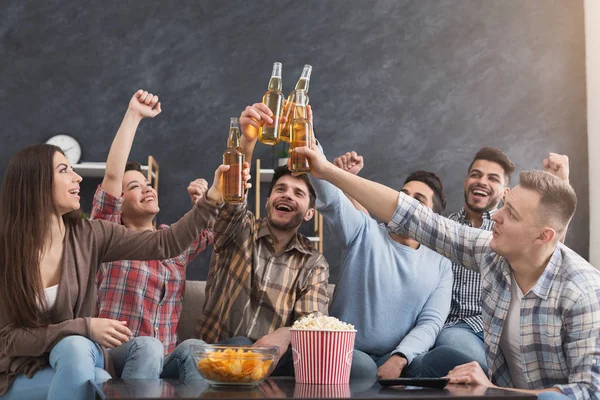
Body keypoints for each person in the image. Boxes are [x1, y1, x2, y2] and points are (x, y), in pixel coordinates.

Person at [294, 144, 597, 399]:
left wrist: (493, 390)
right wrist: (326, 171)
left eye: (512, 214)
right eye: (503, 205)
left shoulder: (582, 293)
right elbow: (412, 216)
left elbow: (589, 391)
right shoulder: (490, 251)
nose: (497, 217)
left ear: (543, 236)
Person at [0, 144, 224, 399]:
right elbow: (7, 338)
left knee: (100, 371)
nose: (78, 177)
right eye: (64, 170)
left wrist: (215, 194)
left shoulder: (88, 236)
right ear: (36, 184)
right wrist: (84, 327)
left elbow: (170, 242)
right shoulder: (9, 252)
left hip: (84, 356)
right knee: (89, 363)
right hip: (22, 370)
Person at [194, 103, 329, 376]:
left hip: (277, 361)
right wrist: (247, 139)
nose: (287, 195)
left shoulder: (314, 262)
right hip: (222, 353)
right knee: (243, 344)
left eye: (298, 194)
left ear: (309, 214)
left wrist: (286, 335)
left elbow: (312, 320)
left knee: (354, 364)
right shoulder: (239, 229)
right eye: (281, 189)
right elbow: (232, 198)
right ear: (268, 202)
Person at [91, 90, 213, 381]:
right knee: (147, 347)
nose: (146, 188)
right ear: (119, 202)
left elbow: (216, 226)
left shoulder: (174, 240)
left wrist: (204, 201)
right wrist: (133, 115)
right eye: (134, 186)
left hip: (163, 358)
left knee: (197, 348)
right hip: (116, 355)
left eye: (147, 183)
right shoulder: (107, 235)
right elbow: (111, 177)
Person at [313, 150, 452, 380]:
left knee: (448, 360)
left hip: (398, 356)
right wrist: (322, 161)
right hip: (348, 352)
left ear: (433, 218)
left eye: (418, 200)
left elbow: (430, 322)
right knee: (363, 369)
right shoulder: (364, 231)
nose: (406, 202)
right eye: (402, 195)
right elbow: (332, 201)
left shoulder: (440, 265)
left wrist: (399, 359)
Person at [415, 147, 516, 374]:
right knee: (451, 348)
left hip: (500, 331)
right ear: (465, 182)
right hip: (454, 328)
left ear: (505, 192)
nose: (481, 181)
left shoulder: (511, 232)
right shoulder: (441, 227)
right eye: (476, 175)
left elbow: (548, 254)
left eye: (492, 178)